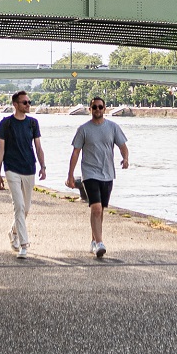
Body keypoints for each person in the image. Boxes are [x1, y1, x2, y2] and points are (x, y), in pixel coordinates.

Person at [66, 97, 131, 260]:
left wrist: (125, 158)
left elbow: (123, 146)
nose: (97, 109)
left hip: (108, 173)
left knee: (100, 209)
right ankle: (100, 243)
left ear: (105, 108)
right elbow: (75, 152)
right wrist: (70, 175)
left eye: (100, 107)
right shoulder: (83, 129)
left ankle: (94, 240)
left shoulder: (113, 127)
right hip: (90, 173)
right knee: (95, 208)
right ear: (90, 109)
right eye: (94, 107)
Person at [0, 90, 45, 259]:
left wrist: (43, 166)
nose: (28, 105)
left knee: (26, 209)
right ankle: (24, 244)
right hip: (11, 169)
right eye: (25, 102)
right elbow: (1, 149)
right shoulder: (6, 123)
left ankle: (13, 232)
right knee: (19, 206)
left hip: (29, 168)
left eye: (29, 102)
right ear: (15, 105)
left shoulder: (33, 123)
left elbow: (38, 147)